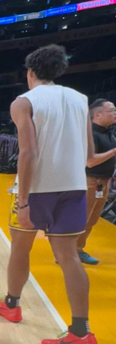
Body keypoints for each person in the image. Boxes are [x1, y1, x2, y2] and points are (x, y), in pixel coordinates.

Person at [0, 44, 98, 344]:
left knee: (20, 247)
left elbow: (29, 152)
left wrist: (23, 202)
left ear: (31, 72)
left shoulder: (23, 102)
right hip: (74, 187)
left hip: (37, 189)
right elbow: (89, 156)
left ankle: (11, 304)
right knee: (69, 258)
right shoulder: (80, 100)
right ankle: (80, 331)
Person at [79, 99, 116, 264]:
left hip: (103, 181)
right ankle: (67, 253)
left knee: (92, 219)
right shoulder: (90, 133)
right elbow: (90, 161)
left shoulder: (109, 132)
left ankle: (77, 250)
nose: (115, 113)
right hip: (89, 180)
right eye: (111, 110)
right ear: (98, 114)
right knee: (81, 219)